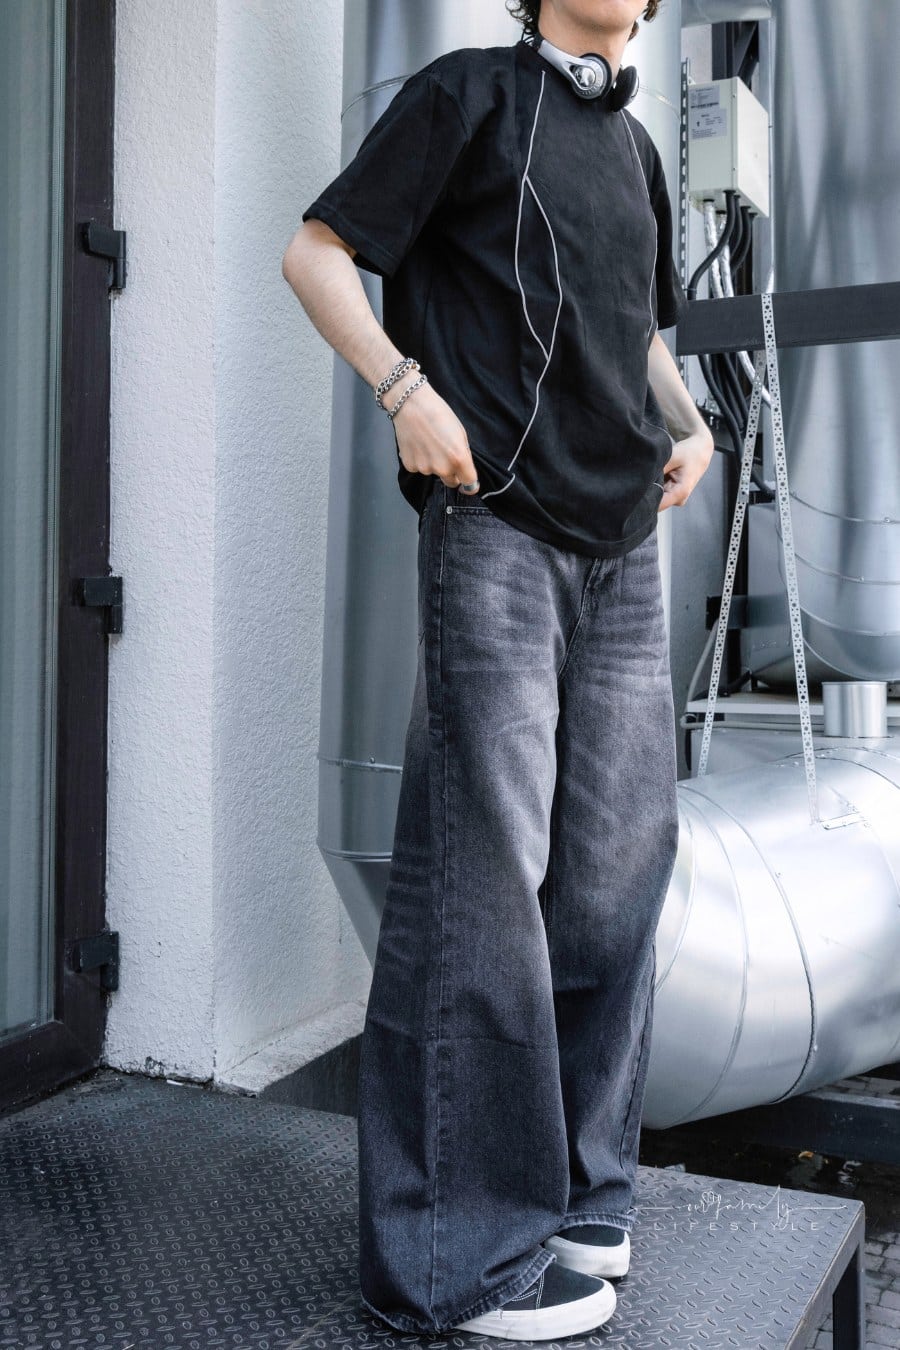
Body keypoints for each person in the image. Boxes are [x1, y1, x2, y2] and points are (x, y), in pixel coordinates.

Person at [282, 0, 715, 1338]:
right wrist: (407, 394)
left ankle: (581, 1197)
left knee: (611, 879)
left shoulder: (634, 150)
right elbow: (317, 253)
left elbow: (634, 329)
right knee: (483, 883)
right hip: (501, 534)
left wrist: (687, 421)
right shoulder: (465, 95)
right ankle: (457, 1260)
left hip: (622, 545)